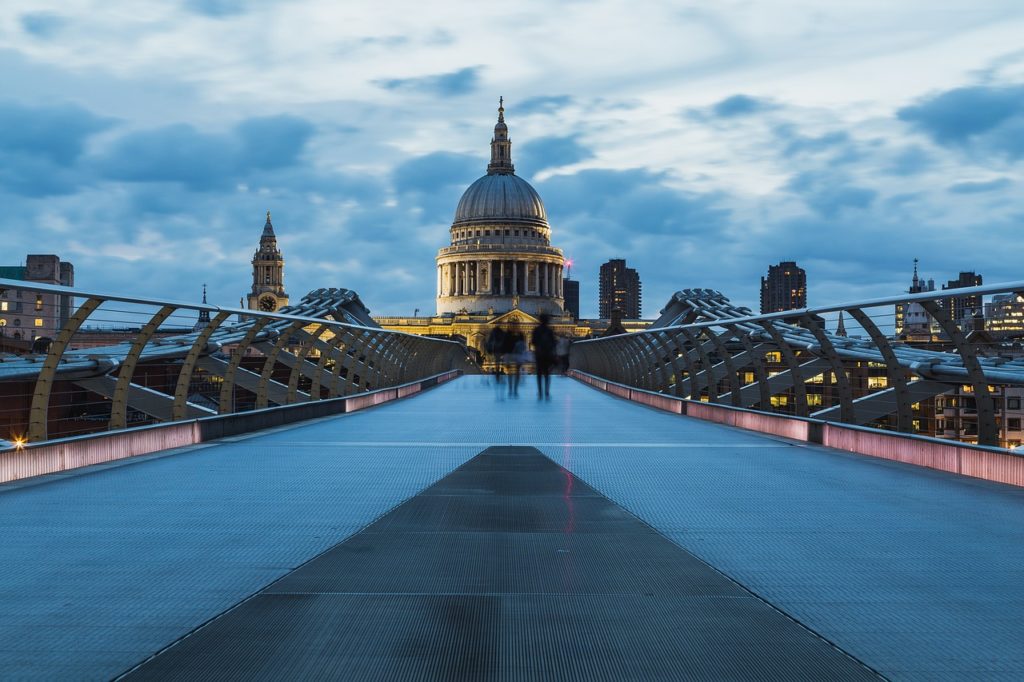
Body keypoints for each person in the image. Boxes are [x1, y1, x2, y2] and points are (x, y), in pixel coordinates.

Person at [531, 313, 557, 398]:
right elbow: (553, 343)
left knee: (539, 373)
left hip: (539, 354)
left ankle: (540, 392)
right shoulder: (549, 330)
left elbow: (533, 342)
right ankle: (546, 391)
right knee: (546, 373)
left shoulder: (536, 330)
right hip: (547, 354)